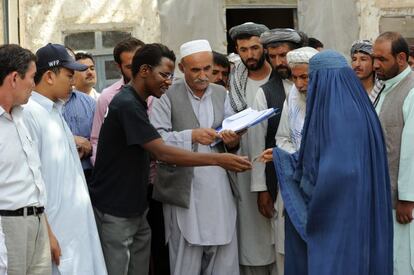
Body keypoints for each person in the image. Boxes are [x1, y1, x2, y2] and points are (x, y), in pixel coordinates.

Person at [90, 43, 251, 275]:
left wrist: (231, 141)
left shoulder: (140, 100)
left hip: (137, 207)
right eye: (164, 75)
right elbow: (161, 150)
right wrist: (212, 155)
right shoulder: (130, 104)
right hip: (120, 207)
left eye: (208, 69)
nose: (167, 81)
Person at [272, 50, 393, 275]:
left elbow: (337, 171)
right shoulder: (361, 109)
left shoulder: (337, 116)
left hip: (341, 220)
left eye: (312, 79)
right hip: (361, 211)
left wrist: (285, 163)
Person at [150, 39, 243, 275]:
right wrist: (192, 135)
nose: (203, 76)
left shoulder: (222, 93)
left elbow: (232, 133)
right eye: (195, 70)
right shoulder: (165, 94)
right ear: (182, 68)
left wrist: (233, 141)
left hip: (220, 188)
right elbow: (157, 140)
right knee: (185, 259)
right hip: (184, 190)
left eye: (207, 69)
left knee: (223, 255)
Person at [23, 43, 107, 275]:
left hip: (77, 226)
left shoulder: (54, 111)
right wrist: (47, 233)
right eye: (69, 75)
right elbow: (31, 182)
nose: (74, 81)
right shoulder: (30, 114)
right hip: (57, 231)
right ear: (49, 75)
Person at [257, 46, 318, 275]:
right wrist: (292, 157)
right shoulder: (292, 96)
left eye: (305, 77)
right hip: (293, 183)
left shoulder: (329, 99)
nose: (300, 84)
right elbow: (282, 138)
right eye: (295, 77)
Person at [228, 22, 277, 274]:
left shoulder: (281, 79)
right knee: (251, 232)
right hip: (245, 165)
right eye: (243, 49)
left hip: (277, 166)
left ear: (264, 48)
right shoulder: (234, 82)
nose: (250, 55)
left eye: (255, 48)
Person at [0, 44, 51, 275]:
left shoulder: (22, 116)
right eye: (31, 77)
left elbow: (33, 179)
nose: (34, 84)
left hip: (37, 223)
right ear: (13, 78)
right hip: (9, 228)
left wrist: (46, 229)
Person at [372, 32, 414, 275]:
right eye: (374, 58)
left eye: (382, 59)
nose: (376, 65)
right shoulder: (385, 87)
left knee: (403, 263)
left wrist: (407, 198)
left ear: (401, 58)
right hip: (384, 196)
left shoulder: (410, 90)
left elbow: (410, 149)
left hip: (402, 203)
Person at [90, 37, 145, 164]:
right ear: (118, 67)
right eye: (130, 67)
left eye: (141, 64)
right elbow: (97, 139)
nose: (138, 71)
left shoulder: (161, 94)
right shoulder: (107, 97)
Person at [62, 53, 96, 184]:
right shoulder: (40, 107)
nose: (89, 72)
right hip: (62, 176)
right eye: (68, 75)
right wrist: (71, 141)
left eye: (92, 68)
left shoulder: (90, 103)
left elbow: (101, 139)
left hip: (89, 174)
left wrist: (89, 146)